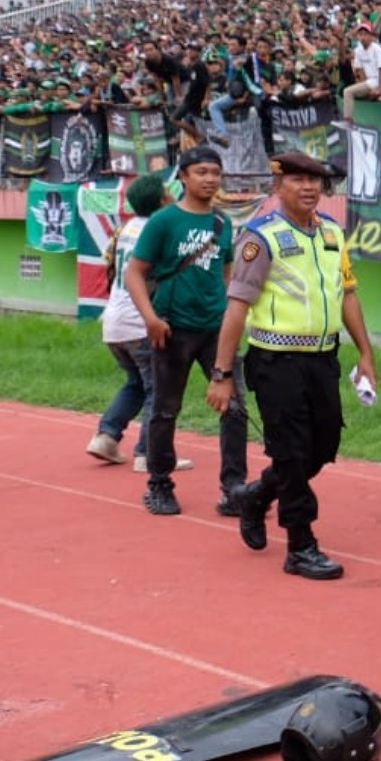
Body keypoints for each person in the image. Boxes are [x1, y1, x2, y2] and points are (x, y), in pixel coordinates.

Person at [210, 152, 377, 581]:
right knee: (291, 451)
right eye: (299, 180)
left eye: (316, 181)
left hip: (323, 360)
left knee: (321, 448)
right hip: (275, 362)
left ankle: (256, 495)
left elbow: (349, 294)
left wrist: (365, 354)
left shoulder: (334, 234)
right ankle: (301, 546)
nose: (309, 188)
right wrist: (222, 373)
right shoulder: (260, 237)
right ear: (277, 187)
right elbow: (237, 306)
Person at [125, 146, 252, 516]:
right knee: (165, 410)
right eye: (201, 172)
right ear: (183, 176)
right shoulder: (164, 221)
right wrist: (149, 318)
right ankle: (159, 484)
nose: (210, 178)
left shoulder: (223, 224)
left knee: (235, 408)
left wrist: (228, 317)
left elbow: (226, 277)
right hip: (172, 328)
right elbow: (135, 272)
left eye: (215, 172)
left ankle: (235, 488)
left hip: (215, 331)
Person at [86, 173, 173, 467]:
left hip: (114, 320)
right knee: (157, 390)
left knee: (136, 383)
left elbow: (109, 260)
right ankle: (148, 453)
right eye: (168, 192)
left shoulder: (124, 228)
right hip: (141, 321)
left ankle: (106, 436)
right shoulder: (160, 231)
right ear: (162, 201)